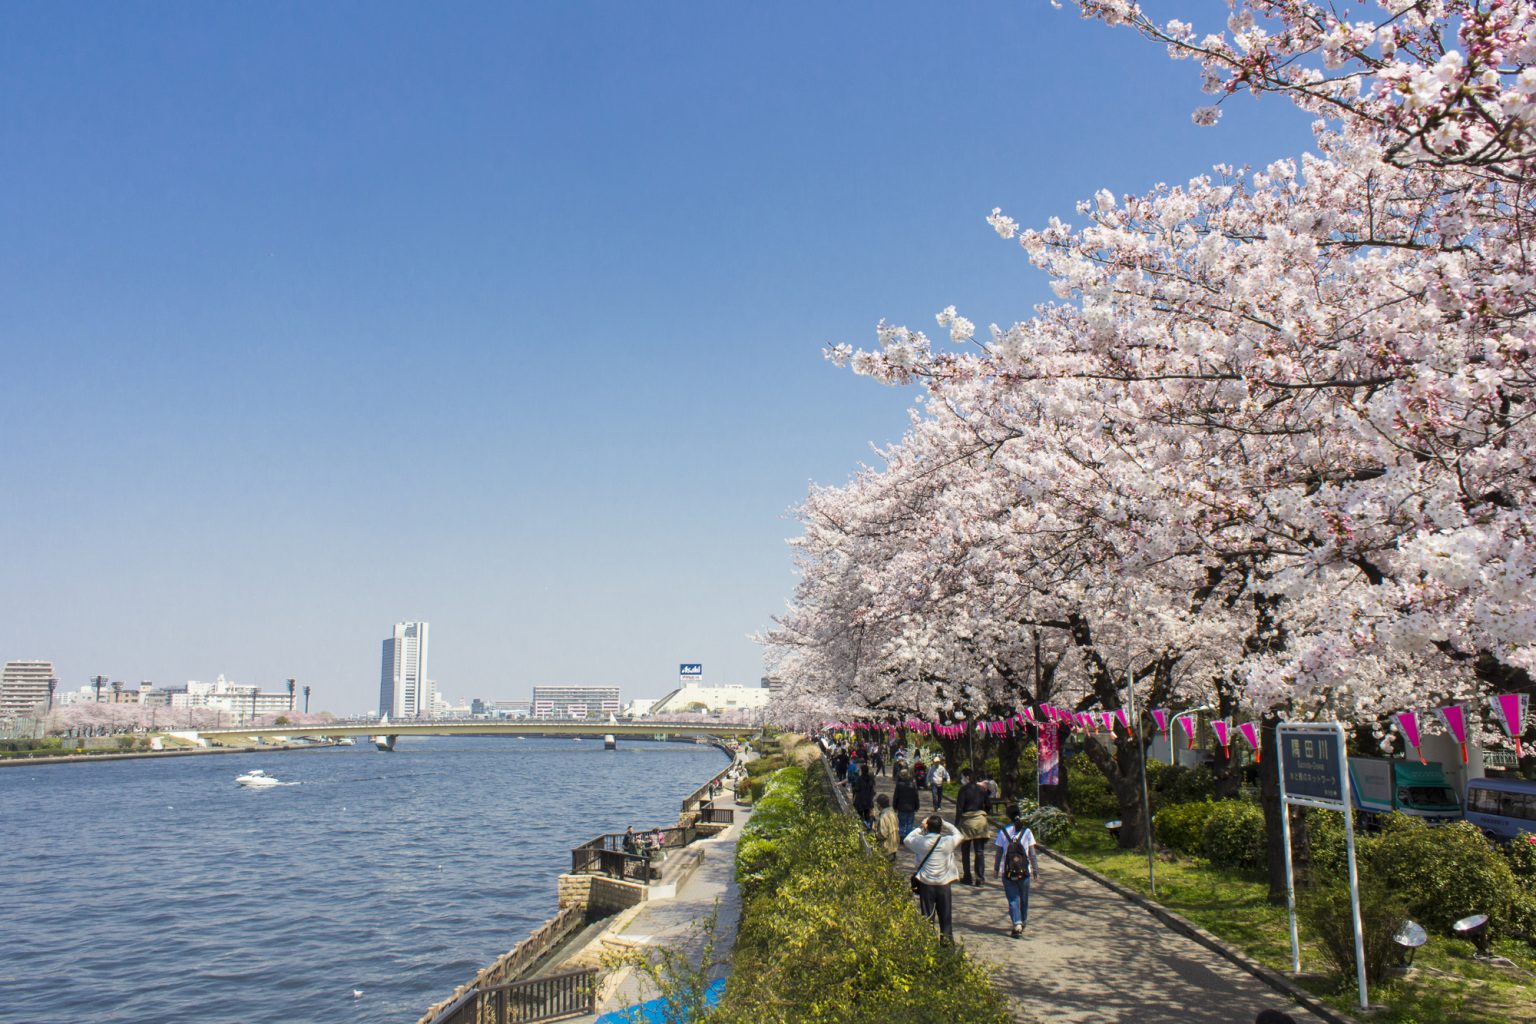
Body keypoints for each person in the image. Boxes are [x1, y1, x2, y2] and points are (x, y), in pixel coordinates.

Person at [904, 814, 963, 941]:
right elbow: (959, 835)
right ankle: (946, 945)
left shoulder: (921, 841)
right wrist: (946, 822)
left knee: (927, 916)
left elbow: (907, 839)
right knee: (945, 917)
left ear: (927, 827)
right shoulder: (947, 842)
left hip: (926, 883)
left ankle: (927, 944)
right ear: (940, 828)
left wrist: (920, 827)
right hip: (943, 884)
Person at [992, 804, 1040, 938]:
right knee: (1024, 898)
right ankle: (1023, 921)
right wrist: (1035, 870)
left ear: (1008, 816)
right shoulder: (1027, 832)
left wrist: (996, 869)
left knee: (1013, 898)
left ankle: (1016, 923)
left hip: (1007, 871)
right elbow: (1032, 853)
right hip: (1024, 871)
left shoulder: (1003, 831)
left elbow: (999, 852)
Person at [953, 768, 991, 885]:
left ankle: (967, 877)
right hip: (980, 820)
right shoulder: (982, 790)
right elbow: (988, 805)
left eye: (962, 777)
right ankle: (980, 878)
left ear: (966, 777)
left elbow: (959, 808)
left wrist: (956, 823)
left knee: (965, 851)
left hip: (967, 821)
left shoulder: (963, 790)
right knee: (979, 851)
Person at [892, 768, 922, 838]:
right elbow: (916, 796)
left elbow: (896, 797)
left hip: (901, 807)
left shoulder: (899, 785)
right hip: (911, 807)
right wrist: (917, 806)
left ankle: (902, 836)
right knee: (910, 823)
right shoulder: (913, 784)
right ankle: (908, 836)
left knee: (902, 823)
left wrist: (894, 806)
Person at [874, 793, 901, 862]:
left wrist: (875, 834)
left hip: (886, 847)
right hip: (894, 845)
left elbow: (883, 834)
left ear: (879, 805)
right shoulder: (893, 813)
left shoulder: (884, 816)